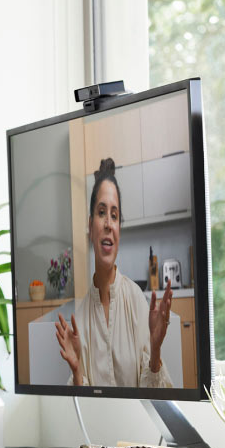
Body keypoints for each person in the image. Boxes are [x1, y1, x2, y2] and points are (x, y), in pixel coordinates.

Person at [55, 157, 174, 388]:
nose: (108, 223)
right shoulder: (80, 320)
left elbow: (154, 401)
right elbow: (84, 411)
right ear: (90, 226)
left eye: (114, 215)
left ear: (119, 228)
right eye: (101, 213)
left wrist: (156, 349)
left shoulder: (138, 302)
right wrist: (77, 370)